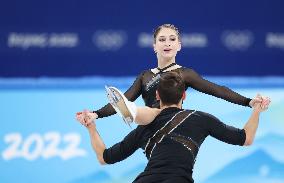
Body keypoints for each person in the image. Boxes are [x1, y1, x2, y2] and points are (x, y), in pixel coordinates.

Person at [77, 72, 270, 183]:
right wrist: (256, 111)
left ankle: (134, 110)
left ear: (158, 96)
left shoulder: (143, 128)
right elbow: (246, 138)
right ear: (184, 96)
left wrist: (91, 128)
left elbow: (104, 158)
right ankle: (133, 110)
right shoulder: (200, 119)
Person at [76, 24, 267, 125]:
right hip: (147, 127)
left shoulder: (185, 74)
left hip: (172, 121)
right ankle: (132, 112)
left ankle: (132, 112)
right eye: (162, 40)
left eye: (172, 39)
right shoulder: (145, 76)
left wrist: (248, 101)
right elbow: (122, 100)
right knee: (129, 107)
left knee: (152, 111)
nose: (167, 43)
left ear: (179, 46)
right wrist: (96, 114)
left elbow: (217, 90)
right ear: (154, 47)